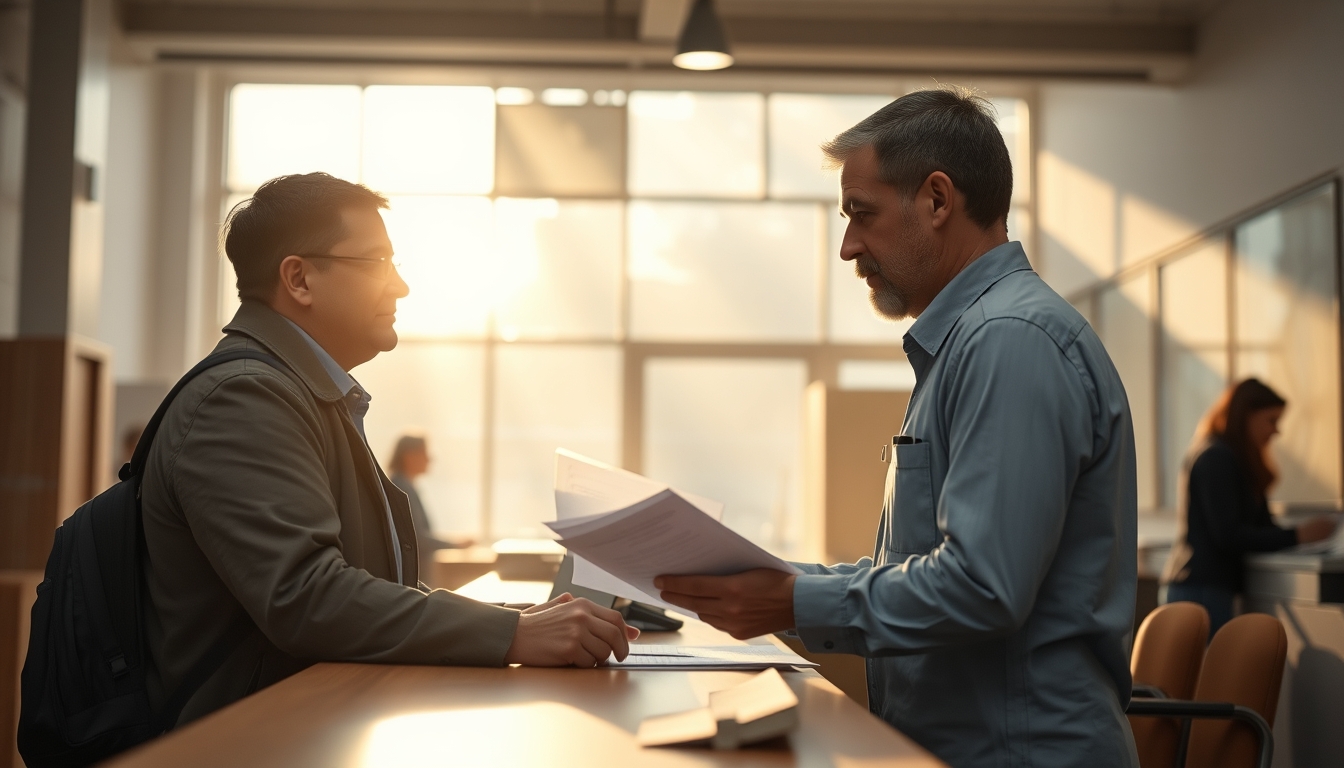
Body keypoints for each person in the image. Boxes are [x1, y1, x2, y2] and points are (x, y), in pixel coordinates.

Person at [655, 87, 1139, 767]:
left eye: (863, 215)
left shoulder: (1008, 342)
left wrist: (793, 600)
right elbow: (925, 569)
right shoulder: (972, 342)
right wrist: (771, 581)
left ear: (938, 201)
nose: (849, 246)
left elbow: (981, 586)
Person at [141, 172, 636, 727]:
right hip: (245, 740)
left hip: (306, 720)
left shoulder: (304, 393)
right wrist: (513, 634)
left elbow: (367, 584)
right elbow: (306, 599)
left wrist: (512, 619)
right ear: (298, 278)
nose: (399, 286)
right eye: (377, 263)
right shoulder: (244, 398)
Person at [1161, 378, 1335, 634]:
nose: (1276, 432)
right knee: (1208, 672)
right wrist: (1300, 535)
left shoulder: (1239, 462)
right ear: (1246, 417)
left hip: (1210, 589)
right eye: (1271, 421)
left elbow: (1261, 527)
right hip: (1200, 590)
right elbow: (1228, 535)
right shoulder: (1216, 458)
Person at [387, 433, 473, 584]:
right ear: (409, 456)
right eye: (424, 453)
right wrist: (455, 545)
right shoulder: (401, 489)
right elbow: (417, 538)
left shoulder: (406, 486)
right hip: (412, 576)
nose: (430, 459)